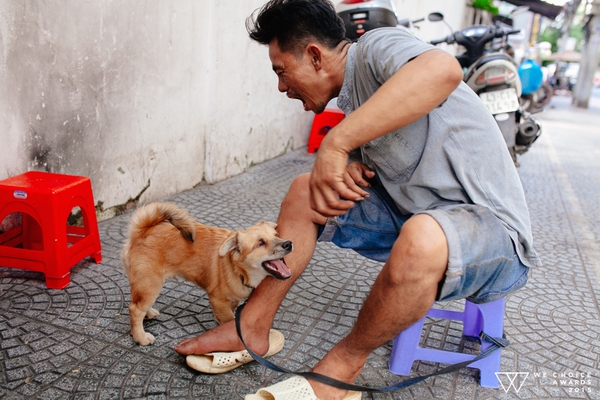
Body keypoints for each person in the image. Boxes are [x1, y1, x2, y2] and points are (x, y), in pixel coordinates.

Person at [175, 0, 541, 399]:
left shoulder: (376, 46)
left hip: (495, 238)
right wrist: (353, 158)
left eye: (282, 71)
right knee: (304, 191)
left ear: (315, 56)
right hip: (418, 221)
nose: (282, 86)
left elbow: (443, 70)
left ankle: (342, 369)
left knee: (422, 234)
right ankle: (252, 328)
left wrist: (338, 143)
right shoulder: (355, 99)